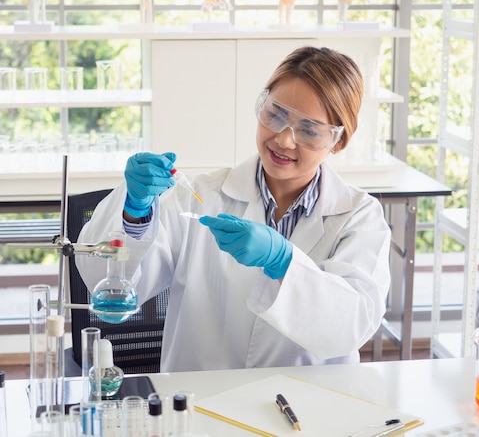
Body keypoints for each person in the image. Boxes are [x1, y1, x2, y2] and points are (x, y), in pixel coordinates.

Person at [77, 46, 391, 372]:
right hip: (201, 404)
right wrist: (135, 213)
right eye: (277, 114)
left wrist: (284, 263)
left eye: (309, 130)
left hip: (307, 405)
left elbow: (350, 328)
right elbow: (114, 288)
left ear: (337, 140)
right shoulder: (197, 196)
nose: (284, 140)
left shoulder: (359, 217)